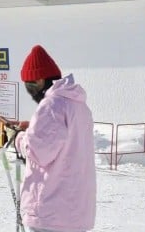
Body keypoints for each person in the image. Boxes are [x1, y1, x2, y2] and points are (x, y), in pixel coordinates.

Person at [11, 45, 95, 232]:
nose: (29, 91)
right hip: (75, 211)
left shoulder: (51, 105)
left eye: (29, 84)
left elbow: (39, 152)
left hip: (51, 210)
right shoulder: (78, 104)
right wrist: (31, 129)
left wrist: (18, 137)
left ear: (40, 80)